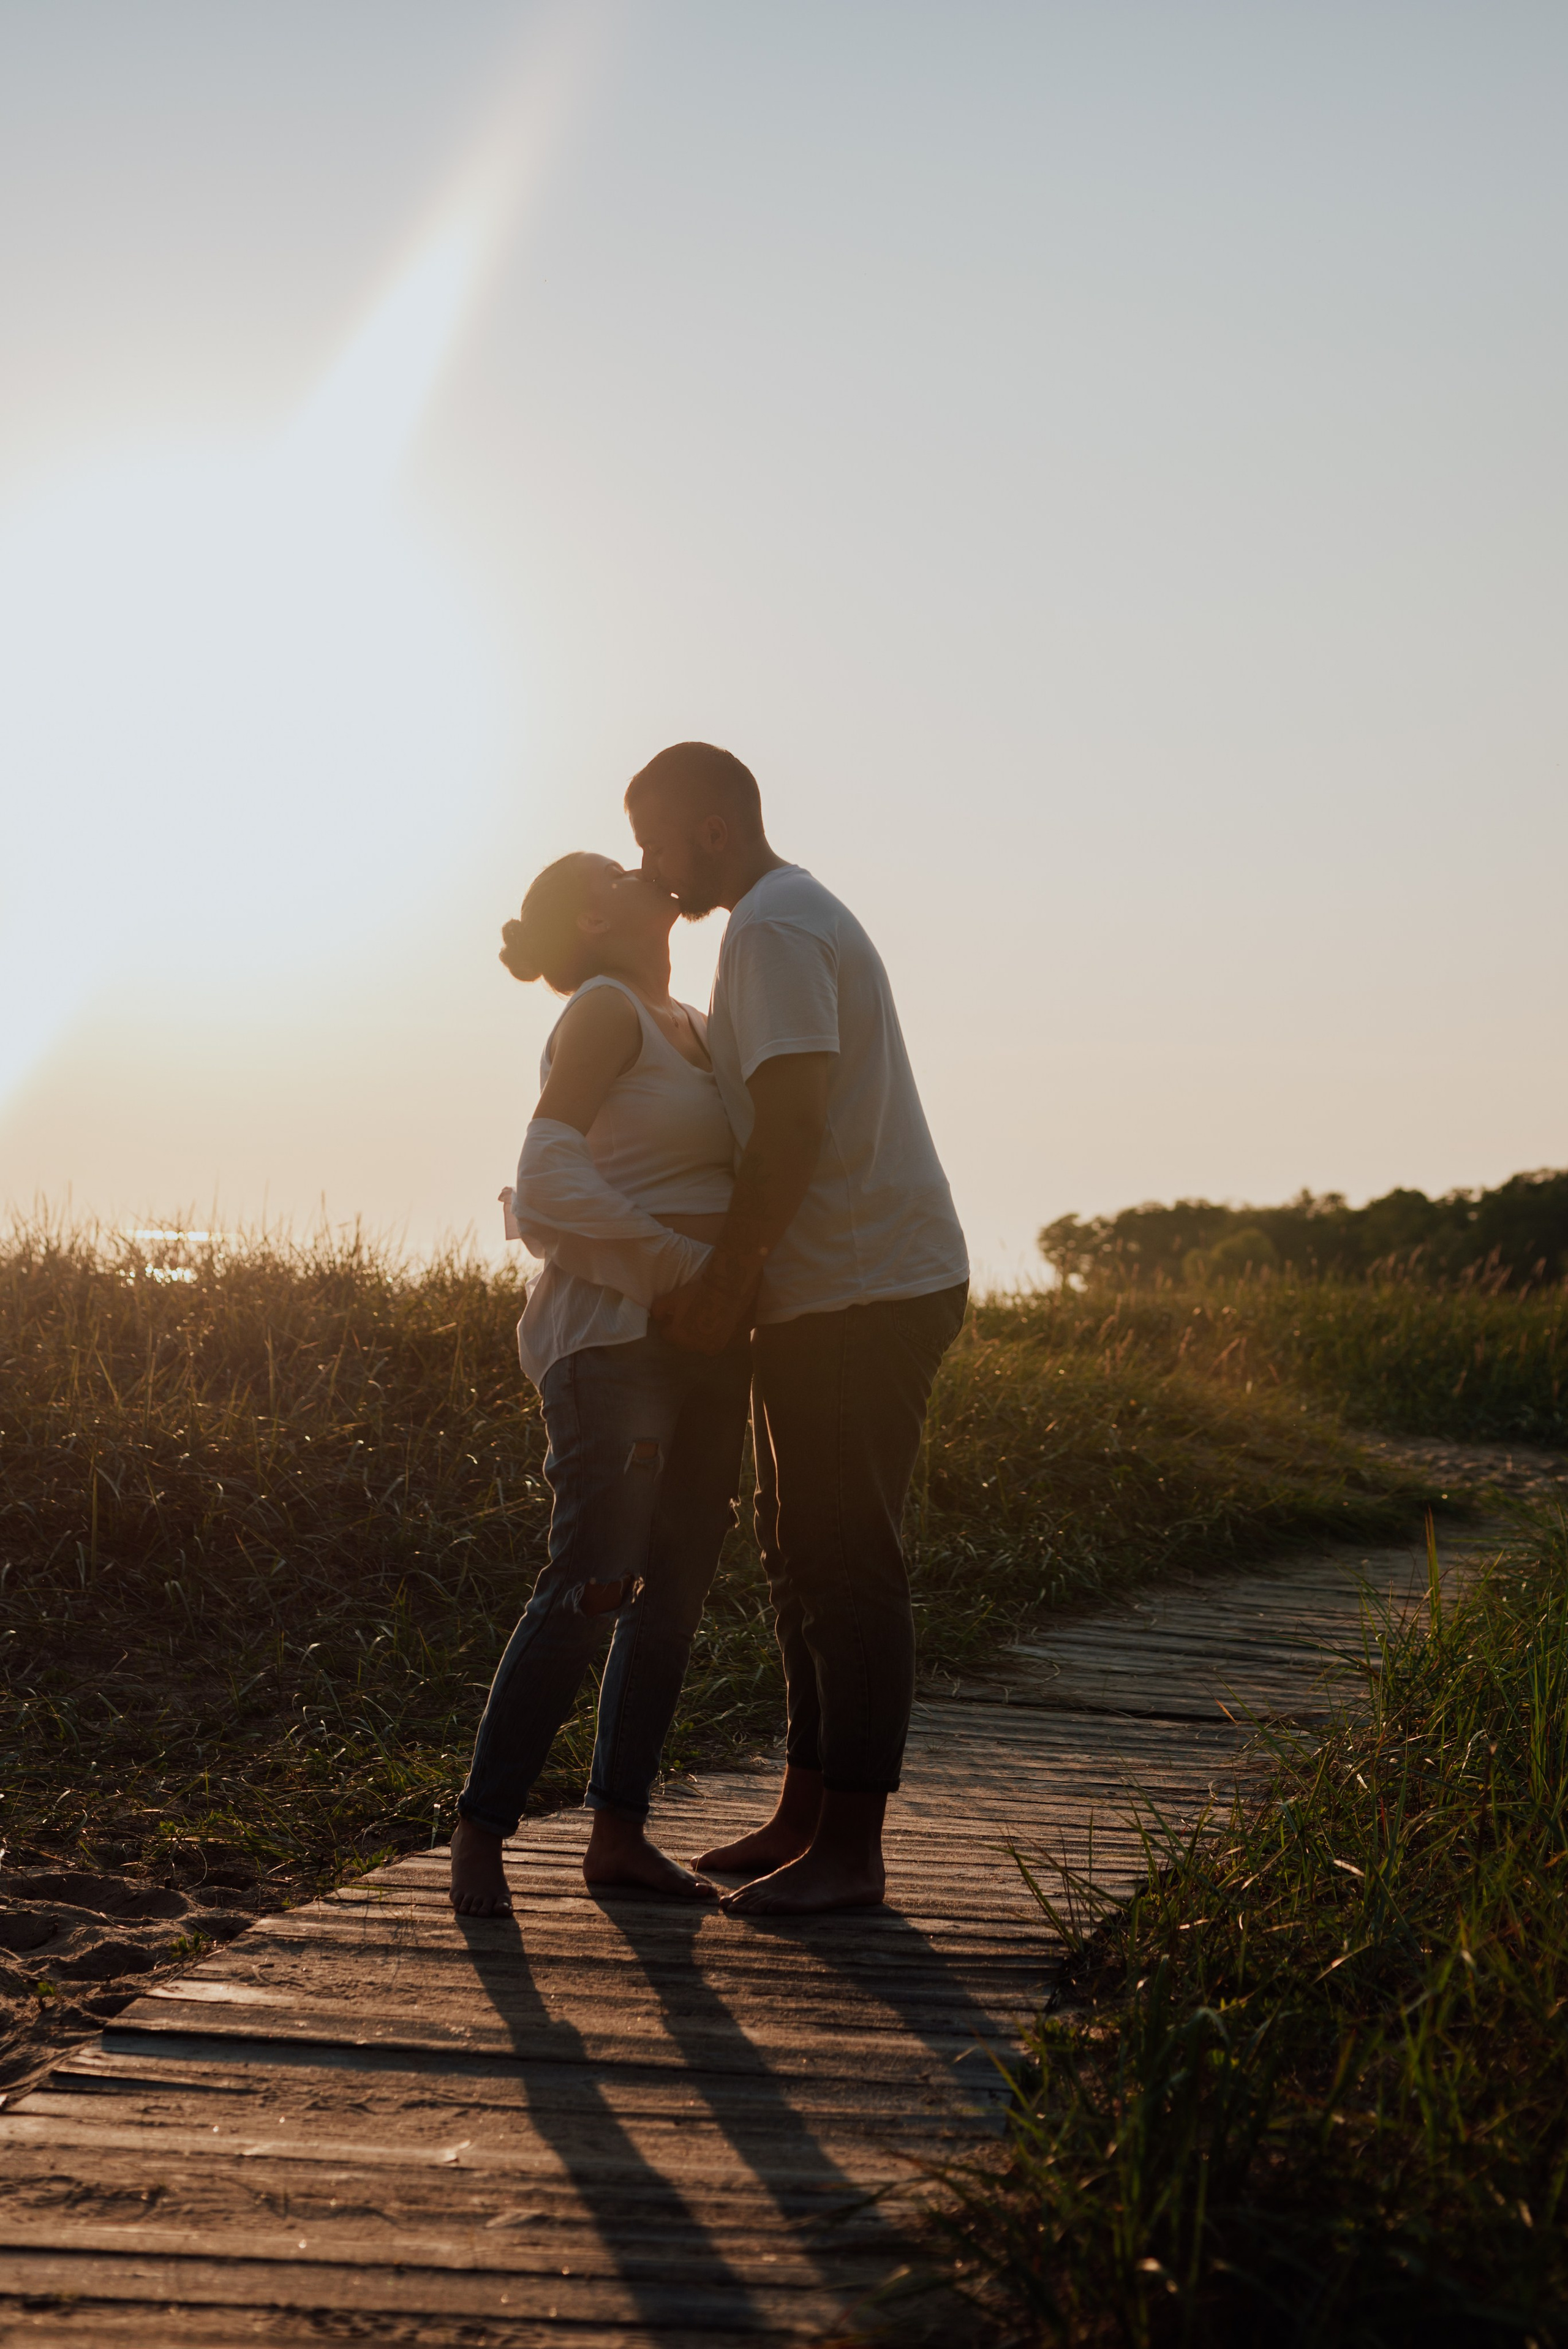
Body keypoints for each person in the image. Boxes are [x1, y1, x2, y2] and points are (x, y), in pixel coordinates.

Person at [626, 742, 969, 1915]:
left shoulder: (772, 927)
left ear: (714, 829)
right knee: (796, 1550)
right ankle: (808, 1808)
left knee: (844, 1560)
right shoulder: (778, 917)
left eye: (656, 840)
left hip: (862, 1290)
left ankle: (851, 1853)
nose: (647, 866)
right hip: (835, 1289)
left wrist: (726, 1281)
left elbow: (792, 1130)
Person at [449, 851, 751, 1918]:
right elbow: (544, 1175)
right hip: (618, 1338)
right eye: (622, 869)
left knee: (670, 1595)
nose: (647, 871)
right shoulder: (607, 1012)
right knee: (595, 1583)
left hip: (712, 1347)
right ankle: (481, 1830)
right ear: (592, 915)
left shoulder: (701, 1026)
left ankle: (618, 1834)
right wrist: (678, 1275)